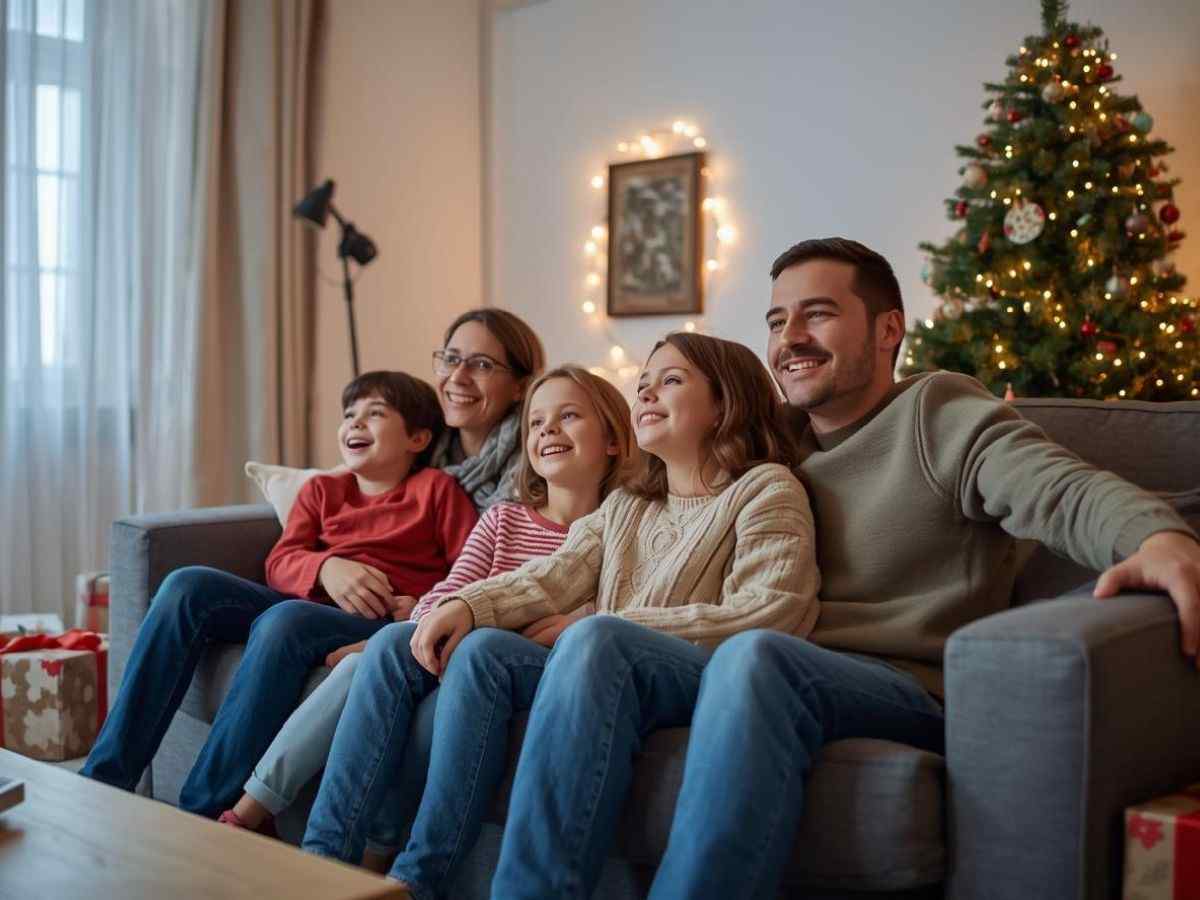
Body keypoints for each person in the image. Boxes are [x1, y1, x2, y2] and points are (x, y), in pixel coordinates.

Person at [491, 237, 1200, 899]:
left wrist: (1160, 536)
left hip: (896, 684)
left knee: (755, 655)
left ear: (889, 329)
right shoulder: (768, 441)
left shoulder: (937, 413)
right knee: (624, 643)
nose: (789, 338)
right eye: (776, 320)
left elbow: (1062, 489)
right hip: (764, 663)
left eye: (818, 314)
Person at [300, 332, 822, 899]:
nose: (645, 393)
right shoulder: (629, 504)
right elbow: (555, 574)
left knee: (595, 638)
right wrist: (469, 604)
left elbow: (769, 612)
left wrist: (605, 627)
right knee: (480, 650)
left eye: (669, 381)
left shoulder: (765, 489)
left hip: (695, 673)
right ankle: (394, 880)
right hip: (604, 666)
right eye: (641, 384)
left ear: (726, 403)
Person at [216, 365, 637, 842]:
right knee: (368, 664)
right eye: (537, 423)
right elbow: (450, 590)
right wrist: (408, 635)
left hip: (511, 669)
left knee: (409, 687)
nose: (549, 430)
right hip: (448, 648)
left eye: (569, 416)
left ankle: (371, 851)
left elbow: (619, 611)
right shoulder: (503, 520)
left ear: (614, 440)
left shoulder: (623, 531)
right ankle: (254, 808)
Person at [82, 371, 479, 816]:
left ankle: (203, 808)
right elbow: (281, 560)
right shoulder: (324, 490)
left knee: (284, 619)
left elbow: (470, 569)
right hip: (306, 602)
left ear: (418, 438)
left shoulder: (438, 492)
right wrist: (326, 567)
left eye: (375, 414)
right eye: (350, 414)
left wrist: (422, 605)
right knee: (185, 586)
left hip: (370, 618)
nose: (356, 423)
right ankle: (105, 779)